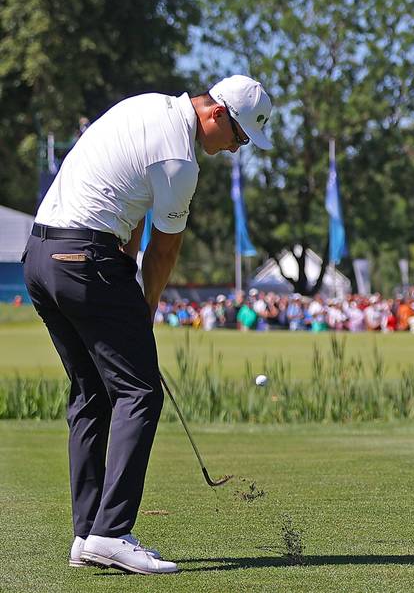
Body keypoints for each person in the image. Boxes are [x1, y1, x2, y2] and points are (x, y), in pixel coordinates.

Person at [23, 75, 273, 574]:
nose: (234, 150)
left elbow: (131, 202)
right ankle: (111, 533)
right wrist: (146, 310)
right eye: (239, 137)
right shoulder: (180, 160)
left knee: (92, 393)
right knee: (140, 392)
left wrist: (128, 281)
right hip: (86, 259)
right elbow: (166, 248)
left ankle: (87, 532)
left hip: (40, 257)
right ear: (217, 114)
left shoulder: (146, 106)